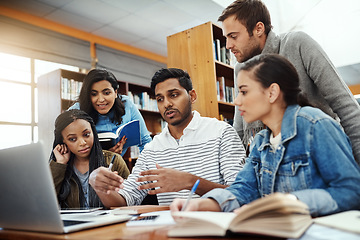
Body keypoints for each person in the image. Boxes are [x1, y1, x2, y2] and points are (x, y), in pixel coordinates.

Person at [170, 54, 360, 217]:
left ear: (272, 93)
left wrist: (291, 202)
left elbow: (352, 192)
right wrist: (202, 204)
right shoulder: (261, 142)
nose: (236, 101)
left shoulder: (316, 125)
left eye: (244, 91)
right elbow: (244, 189)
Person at [218, 0, 360, 164]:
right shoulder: (240, 68)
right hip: (270, 167)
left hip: (319, 157)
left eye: (233, 37)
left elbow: (345, 106)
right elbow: (240, 130)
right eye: (226, 38)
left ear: (258, 29)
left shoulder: (298, 43)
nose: (228, 45)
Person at [88, 68, 246, 207]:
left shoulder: (221, 132)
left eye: (174, 95)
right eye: (160, 99)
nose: (167, 104)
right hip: (172, 231)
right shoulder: (153, 149)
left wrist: (190, 182)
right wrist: (100, 187)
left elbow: (242, 194)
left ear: (192, 96)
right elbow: (125, 199)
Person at [49, 109, 130, 209]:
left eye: (86, 134)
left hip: (108, 223)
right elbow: (45, 203)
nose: (82, 142)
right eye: (72, 139)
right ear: (63, 141)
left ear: (93, 132)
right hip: (74, 224)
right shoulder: (58, 165)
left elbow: (129, 200)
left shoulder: (114, 160)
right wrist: (60, 165)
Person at [69, 69, 152, 156]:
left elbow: (146, 141)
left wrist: (147, 167)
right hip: (85, 167)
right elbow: (64, 148)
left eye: (107, 93)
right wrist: (105, 156)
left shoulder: (127, 104)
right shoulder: (76, 111)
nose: (101, 100)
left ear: (115, 92)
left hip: (115, 166)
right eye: (94, 94)